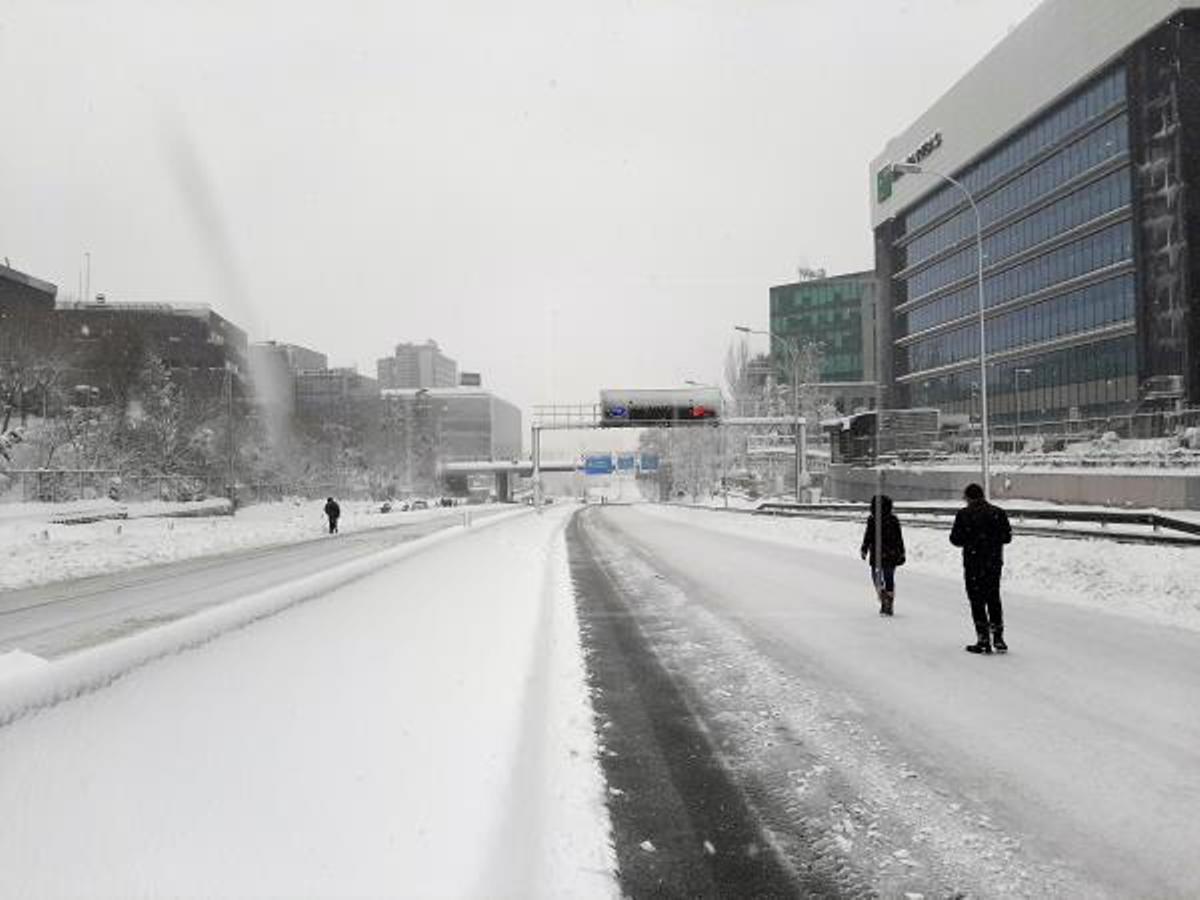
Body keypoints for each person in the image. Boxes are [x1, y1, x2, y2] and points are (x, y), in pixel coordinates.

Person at [949, 483, 1012, 654]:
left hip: (973, 563)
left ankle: (983, 639)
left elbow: (955, 539)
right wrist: (991, 540)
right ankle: (998, 638)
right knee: (993, 598)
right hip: (993, 563)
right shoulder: (998, 512)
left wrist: (972, 539)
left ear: (968, 497)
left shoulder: (963, 515)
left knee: (977, 600)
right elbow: (1007, 538)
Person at [860, 493, 905, 616]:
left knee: (883, 577)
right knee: (881, 578)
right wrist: (864, 548)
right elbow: (868, 535)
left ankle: (887, 602)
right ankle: (885, 599)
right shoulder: (873, 520)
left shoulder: (890, 520)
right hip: (883, 554)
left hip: (886, 554)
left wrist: (901, 552)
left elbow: (899, 538)